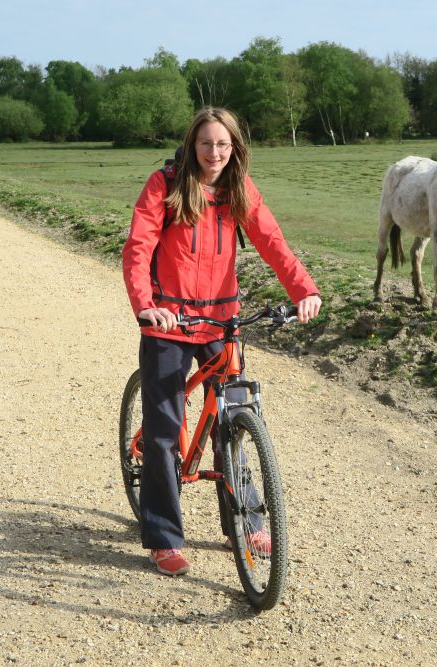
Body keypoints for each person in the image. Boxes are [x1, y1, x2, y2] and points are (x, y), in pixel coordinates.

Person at [122, 107, 321, 576]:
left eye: (224, 145)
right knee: (164, 430)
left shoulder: (238, 191)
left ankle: (245, 517)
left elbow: (273, 241)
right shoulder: (165, 185)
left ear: (235, 149)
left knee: (233, 418)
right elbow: (138, 246)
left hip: (221, 321)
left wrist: (304, 290)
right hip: (167, 321)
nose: (215, 153)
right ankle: (163, 537)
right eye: (208, 144)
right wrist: (145, 303)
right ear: (193, 144)